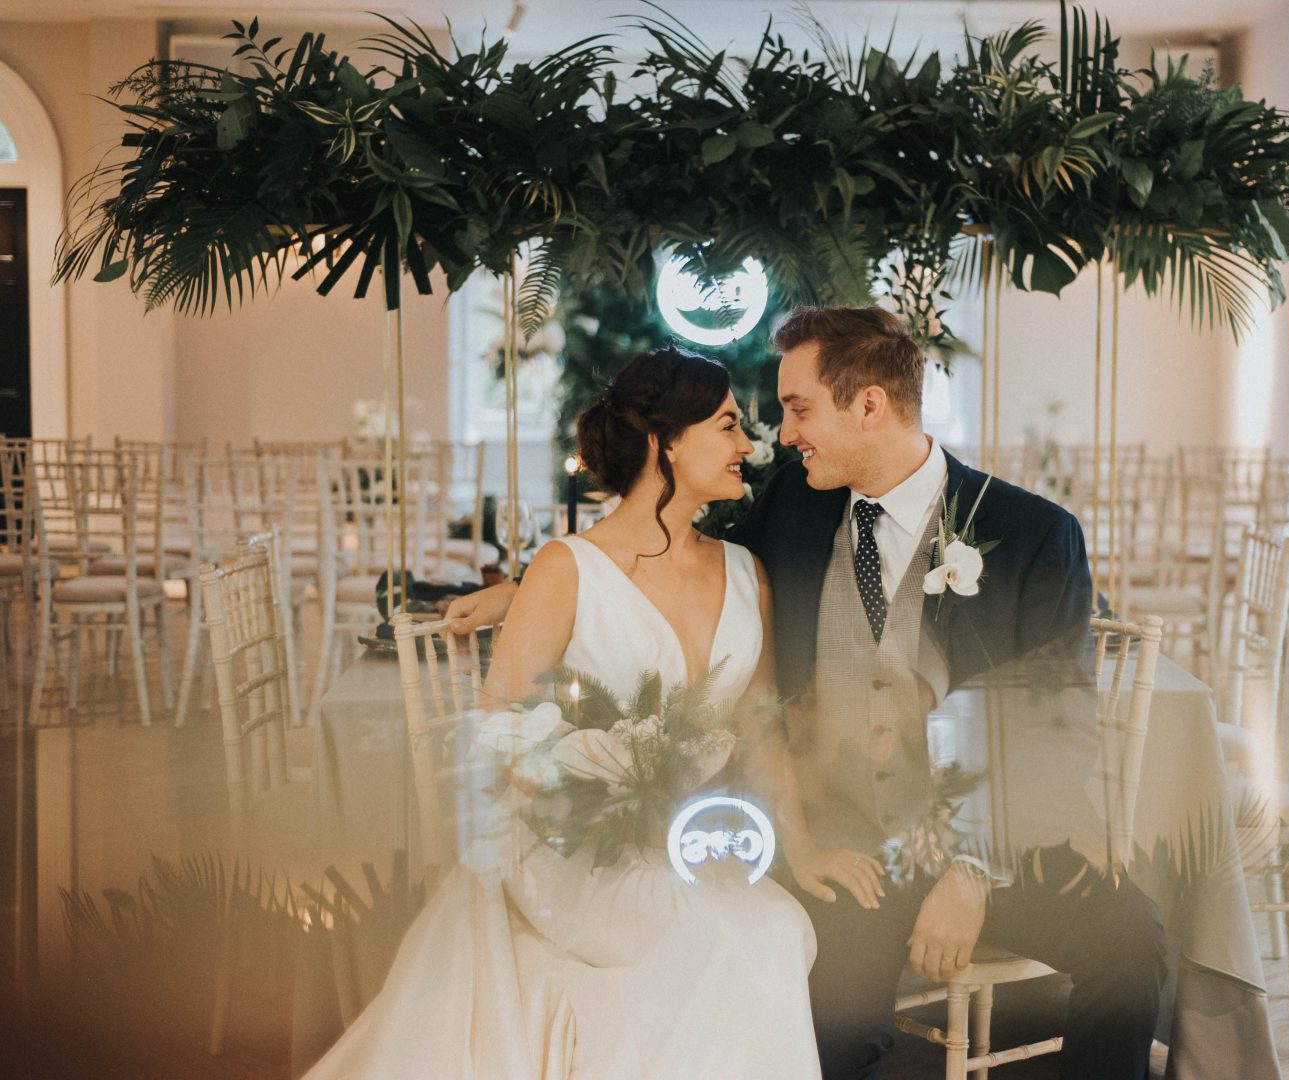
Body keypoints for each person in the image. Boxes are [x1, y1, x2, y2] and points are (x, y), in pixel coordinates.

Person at [450, 307, 1168, 1080]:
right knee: (812, 1035)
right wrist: (528, 589)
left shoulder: (1033, 534)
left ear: (868, 405)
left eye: (798, 409)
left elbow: (1056, 729)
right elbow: (666, 556)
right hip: (847, 850)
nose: (781, 435)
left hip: (985, 849)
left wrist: (971, 873)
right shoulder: (795, 505)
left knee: (1133, 945)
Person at [304, 347, 821, 1079]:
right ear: (661, 442)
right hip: (573, 846)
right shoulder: (564, 567)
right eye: (729, 425)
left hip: (684, 848)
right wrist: (590, 783)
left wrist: (798, 843)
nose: (749, 445)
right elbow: (499, 727)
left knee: (777, 925)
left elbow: (762, 729)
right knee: (739, 935)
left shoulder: (747, 572)